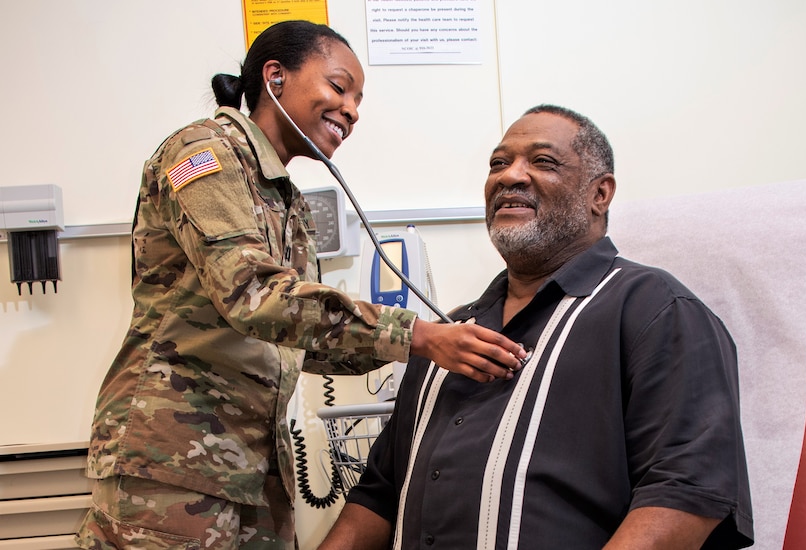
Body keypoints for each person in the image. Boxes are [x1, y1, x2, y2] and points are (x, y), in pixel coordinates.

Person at [74, 20, 526, 549]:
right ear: (275, 77)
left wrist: (433, 347)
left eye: (359, 99)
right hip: (171, 460)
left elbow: (302, 343)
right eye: (339, 87)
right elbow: (253, 296)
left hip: (253, 469)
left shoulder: (288, 202)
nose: (352, 110)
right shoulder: (205, 153)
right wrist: (416, 335)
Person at [318, 104, 755, 549]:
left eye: (542, 162)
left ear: (599, 195)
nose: (510, 176)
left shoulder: (653, 309)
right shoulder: (448, 333)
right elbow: (378, 496)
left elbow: (686, 492)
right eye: (498, 163)